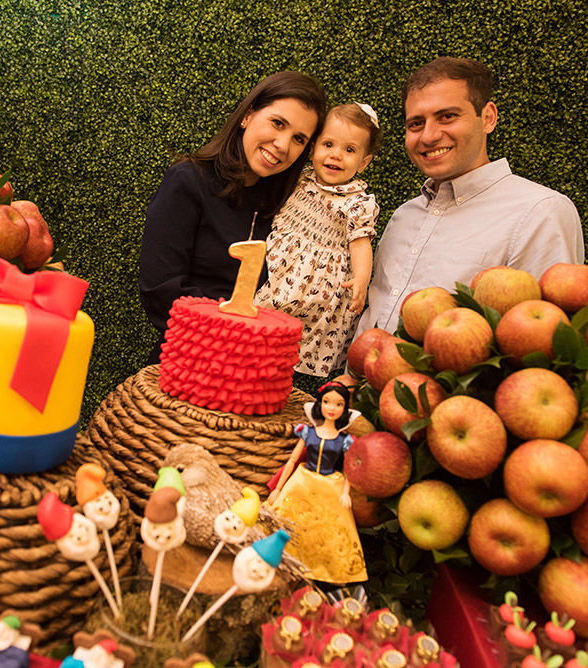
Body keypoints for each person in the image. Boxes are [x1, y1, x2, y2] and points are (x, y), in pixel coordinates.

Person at [357, 57, 584, 335]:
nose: (428, 136)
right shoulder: (405, 215)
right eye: (416, 123)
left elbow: (541, 342)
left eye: (447, 116)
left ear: (488, 117)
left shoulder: (539, 213)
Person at [139, 71, 327, 362]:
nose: (282, 145)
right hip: (186, 363)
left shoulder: (287, 208)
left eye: (298, 139)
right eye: (277, 123)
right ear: (248, 115)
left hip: (251, 374)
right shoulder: (189, 181)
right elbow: (160, 290)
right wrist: (236, 339)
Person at [255, 102, 382, 377]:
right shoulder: (298, 181)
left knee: (293, 347)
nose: (336, 155)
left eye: (349, 150)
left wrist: (361, 280)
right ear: (313, 148)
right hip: (276, 274)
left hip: (318, 292)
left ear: (363, 162)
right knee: (256, 330)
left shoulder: (357, 203)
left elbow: (361, 244)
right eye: (328, 144)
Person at [267, 381, 366, 584]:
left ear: (345, 409)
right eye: (327, 402)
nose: (332, 408)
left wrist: (346, 492)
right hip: (302, 482)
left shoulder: (344, 440)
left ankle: (321, 570)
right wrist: (277, 488)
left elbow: (348, 469)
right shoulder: (307, 432)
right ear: (319, 404)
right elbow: (293, 460)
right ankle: (279, 556)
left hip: (330, 486)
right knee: (290, 520)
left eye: (338, 404)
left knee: (326, 531)